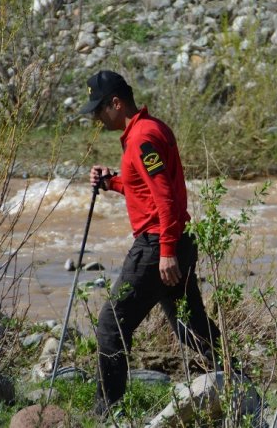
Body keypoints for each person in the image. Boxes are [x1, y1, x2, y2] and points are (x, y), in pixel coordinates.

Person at [78, 70, 221, 415]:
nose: (96, 117)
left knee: (112, 322)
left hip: (158, 245)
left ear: (116, 103)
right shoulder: (145, 131)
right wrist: (111, 182)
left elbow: (167, 198)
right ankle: (241, 380)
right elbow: (145, 190)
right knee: (191, 328)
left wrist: (167, 251)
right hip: (172, 241)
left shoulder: (142, 138)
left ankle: (107, 413)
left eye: (99, 110)